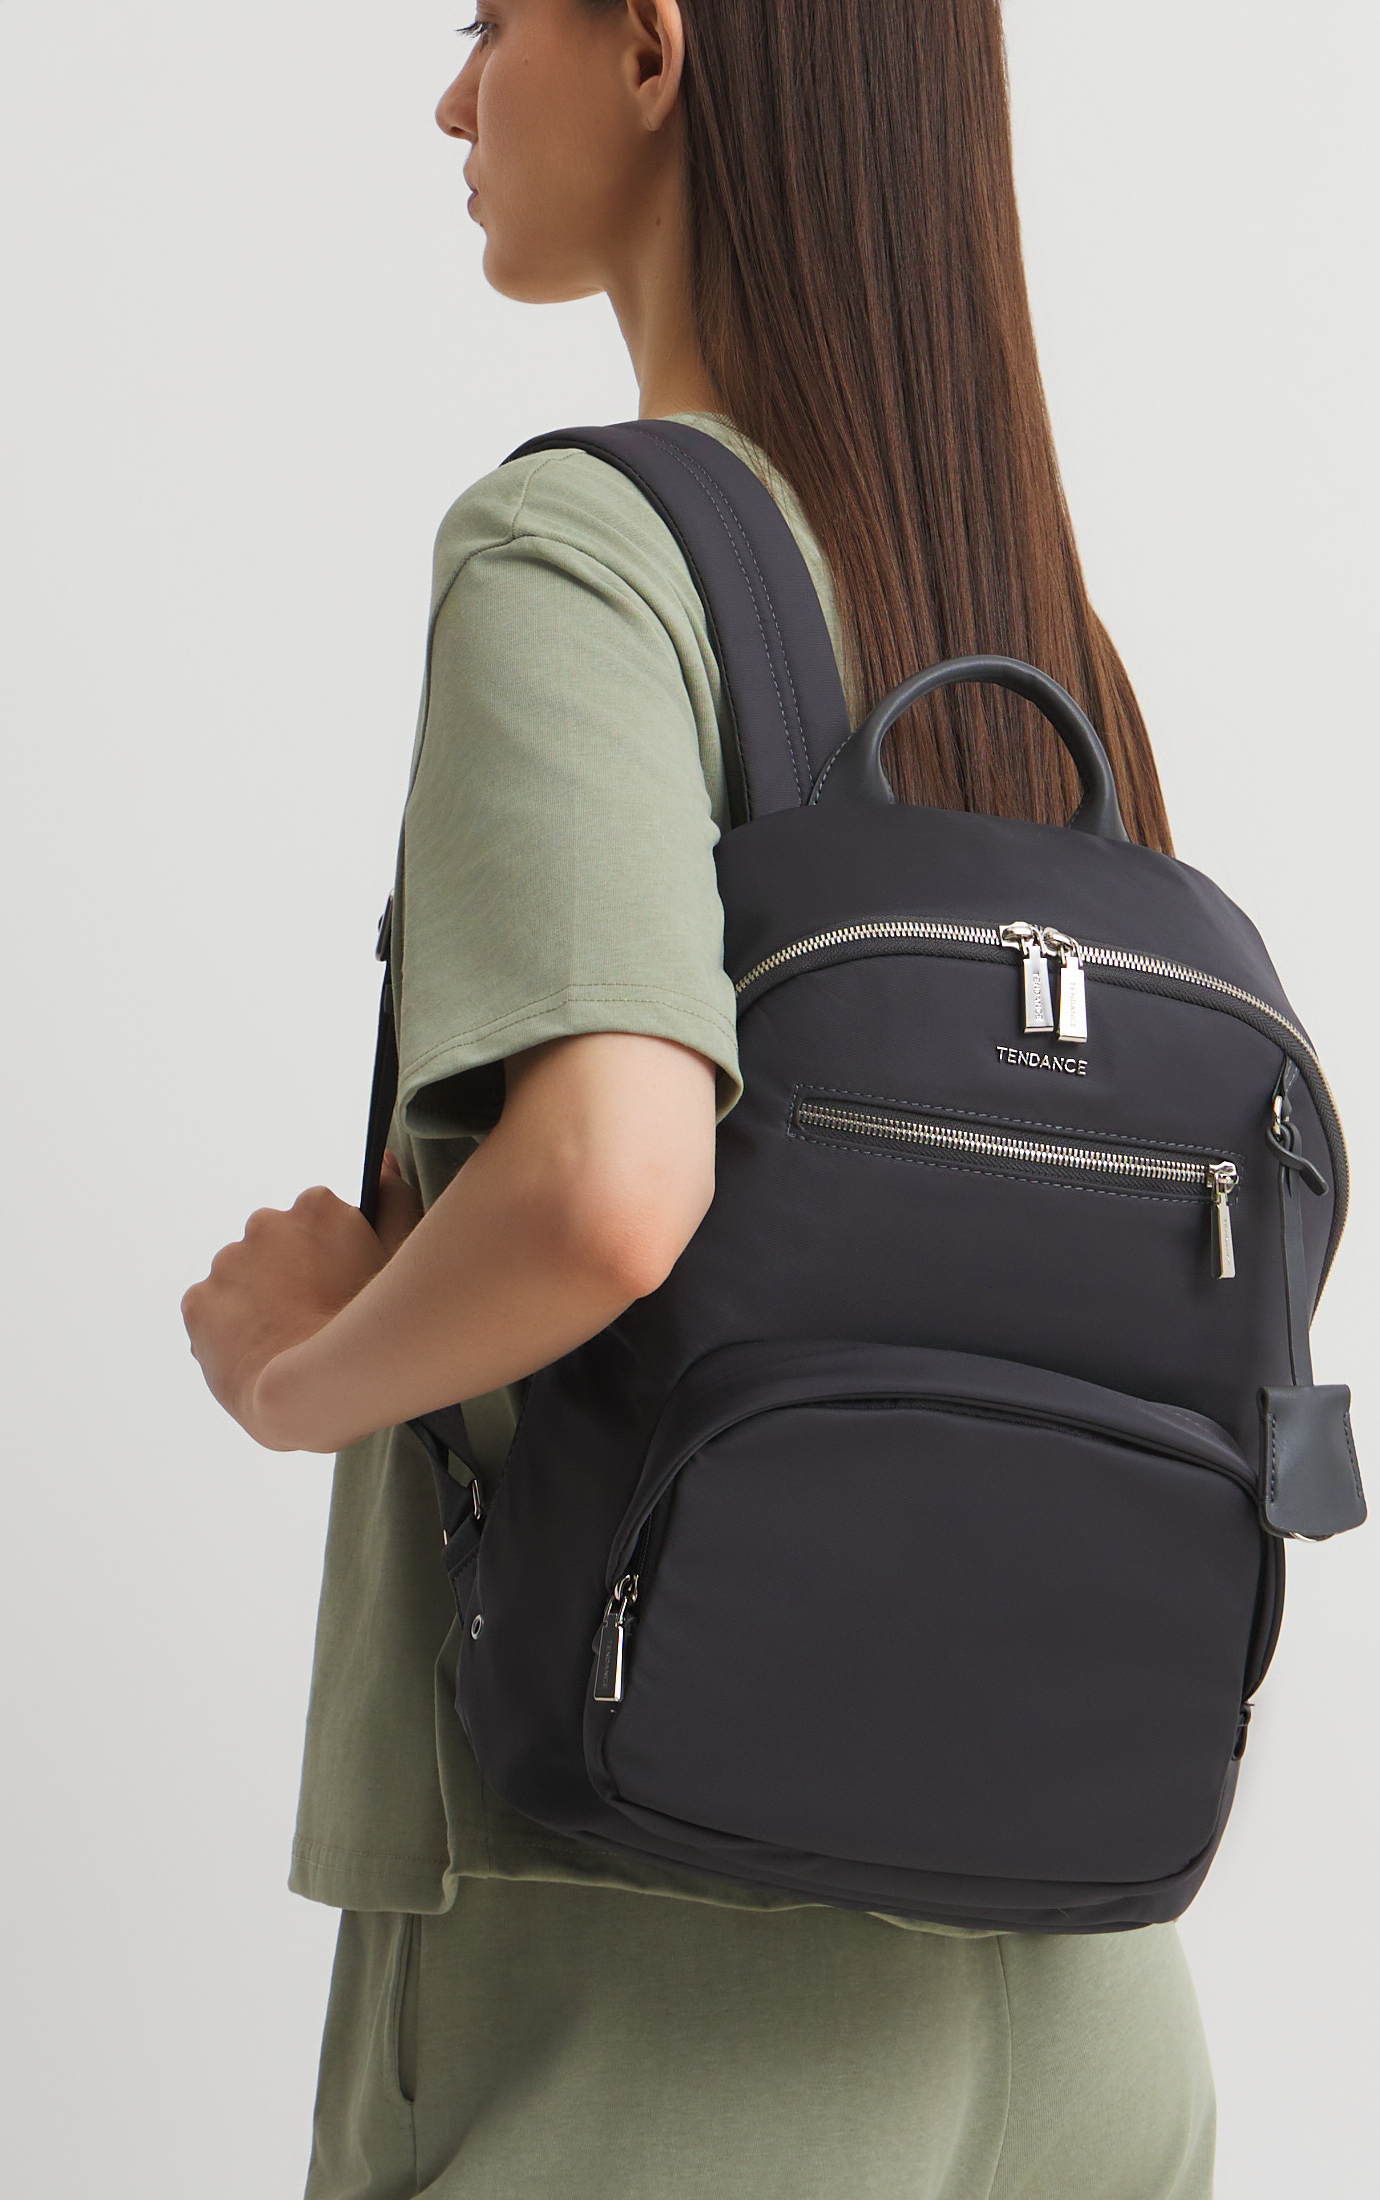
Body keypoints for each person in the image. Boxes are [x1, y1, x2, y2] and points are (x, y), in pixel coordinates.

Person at [182, 3, 1215, 2192]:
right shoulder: (1040, 635)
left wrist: (298, 1372)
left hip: (648, 1981)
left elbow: (612, 1183)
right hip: (1085, 1997)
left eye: (489, 21)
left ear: (655, 45)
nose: (454, 93)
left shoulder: (580, 552)